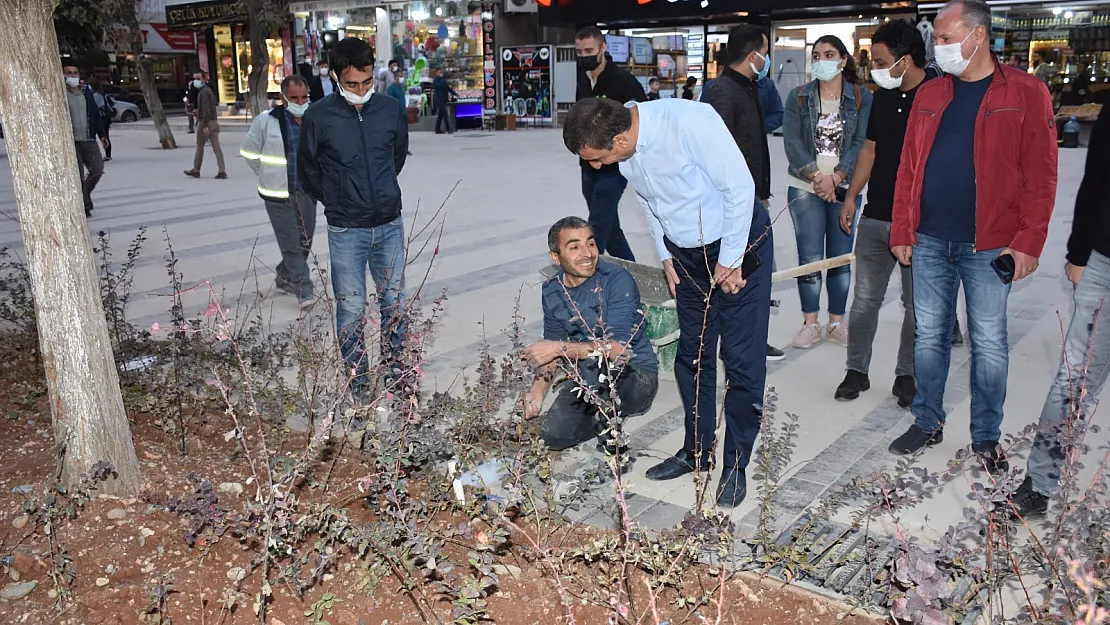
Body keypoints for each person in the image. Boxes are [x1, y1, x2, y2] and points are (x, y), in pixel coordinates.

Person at [562, 97, 774, 507]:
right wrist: (666, 253)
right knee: (692, 357)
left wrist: (730, 261)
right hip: (687, 254)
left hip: (738, 242)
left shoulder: (690, 122)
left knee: (741, 359)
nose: (597, 167)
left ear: (620, 139)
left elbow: (740, 188)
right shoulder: (626, 145)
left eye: (599, 159)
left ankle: (735, 464)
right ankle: (697, 452)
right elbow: (647, 199)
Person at [887, 0, 1057, 471]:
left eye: (944, 37)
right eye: (937, 39)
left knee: (988, 342)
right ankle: (927, 420)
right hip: (929, 240)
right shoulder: (930, 94)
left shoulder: (1026, 91)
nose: (937, 47)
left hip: (990, 244)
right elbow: (908, 168)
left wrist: (1028, 241)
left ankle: (985, 436)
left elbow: (1042, 176)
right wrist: (902, 226)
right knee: (929, 338)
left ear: (977, 36)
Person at [1010, 104, 1110, 518]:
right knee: (1073, 379)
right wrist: (1078, 253)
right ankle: (1038, 483)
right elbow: (1097, 181)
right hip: (1104, 261)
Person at [834, 20, 940, 407]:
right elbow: (870, 150)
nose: (872, 69)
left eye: (879, 61)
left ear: (905, 60)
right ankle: (856, 371)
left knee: (916, 307)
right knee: (864, 301)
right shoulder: (883, 96)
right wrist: (851, 197)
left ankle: (906, 376)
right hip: (877, 215)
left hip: (918, 223)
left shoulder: (938, 96)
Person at [298, 37, 410, 390]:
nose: (361, 91)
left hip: (389, 224)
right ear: (334, 77)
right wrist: (339, 198)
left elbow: (397, 157)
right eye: (352, 85)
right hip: (347, 230)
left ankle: (396, 375)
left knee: (395, 304)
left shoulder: (389, 110)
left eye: (366, 83)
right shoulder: (318, 116)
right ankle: (358, 382)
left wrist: (380, 192)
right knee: (351, 310)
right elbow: (308, 170)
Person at [522, 217, 659, 457]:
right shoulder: (552, 291)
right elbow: (552, 349)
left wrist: (558, 348)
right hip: (590, 377)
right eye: (574, 247)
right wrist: (538, 391)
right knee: (552, 436)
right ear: (556, 257)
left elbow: (618, 350)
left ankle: (611, 433)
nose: (587, 254)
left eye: (591, 244)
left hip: (636, 377)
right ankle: (600, 412)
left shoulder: (616, 280)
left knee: (595, 364)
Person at [783, 35, 872, 349]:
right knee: (808, 257)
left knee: (840, 258)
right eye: (817, 55)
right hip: (805, 186)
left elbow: (862, 143)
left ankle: (837, 321)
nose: (822, 60)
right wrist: (818, 176)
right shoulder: (798, 97)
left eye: (829, 54)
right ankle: (811, 323)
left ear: (844, 60)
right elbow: (791, 143)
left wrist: (838, 177)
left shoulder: (861, 98)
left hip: (845, 188)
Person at [702, 25, 785, 364]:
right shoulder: (721, 92)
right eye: (764, 53)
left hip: (751, 199)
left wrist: (760, 193)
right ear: (754, 56)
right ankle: (739, 345)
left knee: (752, 276)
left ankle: (748, 341)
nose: (765, 60)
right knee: (739, 276)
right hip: (732, 205)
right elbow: (715, 157)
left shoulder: (749, 87)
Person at [239, 75, 317, 311]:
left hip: (306, 192)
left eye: (304, 97)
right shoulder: (265, 121)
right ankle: (304, 290)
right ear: (283, 97)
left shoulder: (314, 119)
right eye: (294, 98)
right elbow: (249, 152)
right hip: (277, 195)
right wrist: (266, 173)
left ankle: (284, 277)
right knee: (291, 244)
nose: (300, 102)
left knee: (304, 241)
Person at [574, 26, 646, 262]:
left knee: (598, 225)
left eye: (589, 50)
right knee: (611, 229)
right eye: (579, 51)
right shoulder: (583, 80)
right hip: (588, 166)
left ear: (603, 48)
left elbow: (642, 117)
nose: (584, 56)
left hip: (614, 167)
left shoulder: (623, 81)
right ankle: (633, 276)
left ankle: (587, 275)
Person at [63, 64, 108, 217]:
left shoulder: (86, 92)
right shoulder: (60, 93)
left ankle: (82, 196)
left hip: (88, 138)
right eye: (69, 73)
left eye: (75, 73)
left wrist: (103, 135)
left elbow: (95, 114)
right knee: (78, 175)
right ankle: (85, 205)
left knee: (97, 169)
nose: (73, 75)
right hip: (71, 141)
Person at [184, 75, 226, 180]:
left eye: (198, 79)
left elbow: (206, 110)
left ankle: (196, 169)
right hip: (213, 121)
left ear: (204, 79)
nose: (196, 81)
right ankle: (222, 170)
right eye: (194, 79)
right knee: (216, 147)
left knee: (200, 145)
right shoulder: (208, 91)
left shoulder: (203, 92)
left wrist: (205, 125)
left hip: (205, 122)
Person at [90, 80, 115, 162]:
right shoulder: (102, 94)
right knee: (105, 136)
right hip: (105, 118)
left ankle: (105, 155)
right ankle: (108, 155)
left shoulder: (96, 95)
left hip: (101, 118)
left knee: (103, 136)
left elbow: (95, 106)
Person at [432, 68, 457, 134]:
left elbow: (447, 88)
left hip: (444, 99)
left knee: (441, 115)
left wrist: (455, 93)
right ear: (436, 73)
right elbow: (441, 85)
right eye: (440, 72)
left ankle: (437, 129)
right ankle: (448, 128)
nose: (441, 73)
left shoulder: (442, 80)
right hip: (439, 99)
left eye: (441, 72)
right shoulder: (435, 80)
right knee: (445, 114)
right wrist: (442, 78)